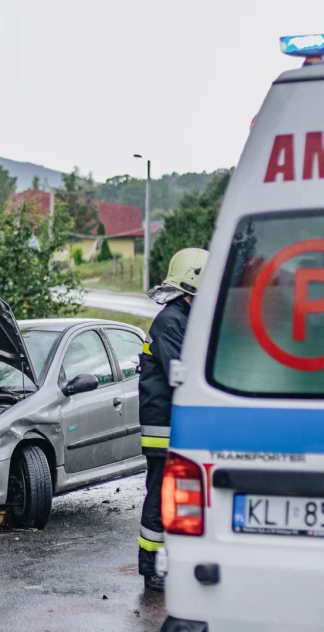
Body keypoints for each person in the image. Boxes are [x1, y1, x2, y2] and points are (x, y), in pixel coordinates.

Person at [137, 247, 209, 592]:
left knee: (174, 496)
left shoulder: (182, 318)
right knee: (159, 496)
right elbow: (181, 373)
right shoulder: (171, 322)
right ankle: (151, 567)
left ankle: (171, 561)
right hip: (163, 427)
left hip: (175, 424)